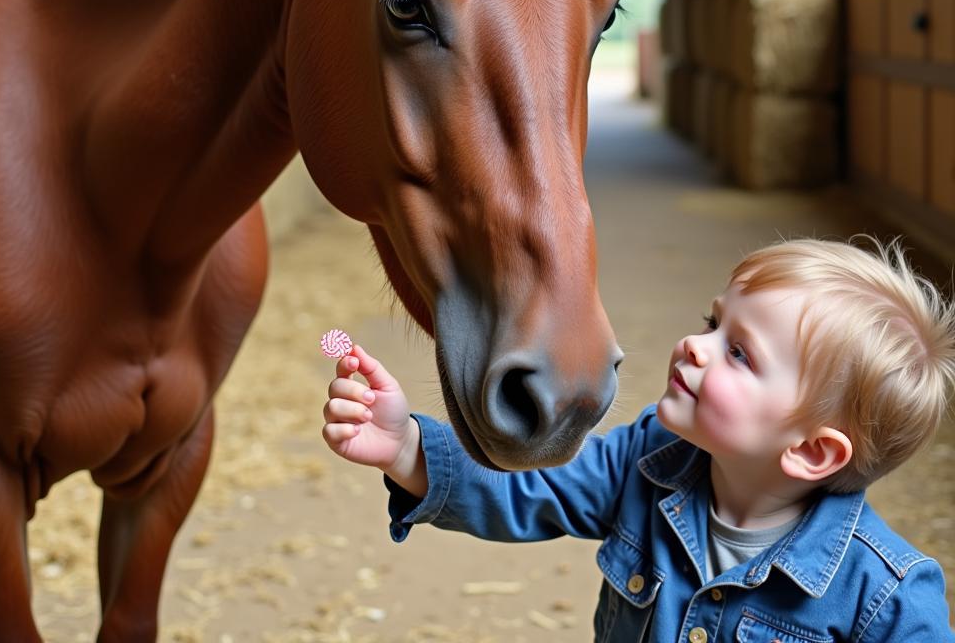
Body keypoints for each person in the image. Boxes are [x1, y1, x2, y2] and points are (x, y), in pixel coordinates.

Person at [322, 237, 955, 641]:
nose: (694, 346)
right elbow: (529, 485)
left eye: (738, 352)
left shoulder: (887, 598)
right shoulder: (648, 460)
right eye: (713, 322)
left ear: (812, 451)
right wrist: (405, 446)